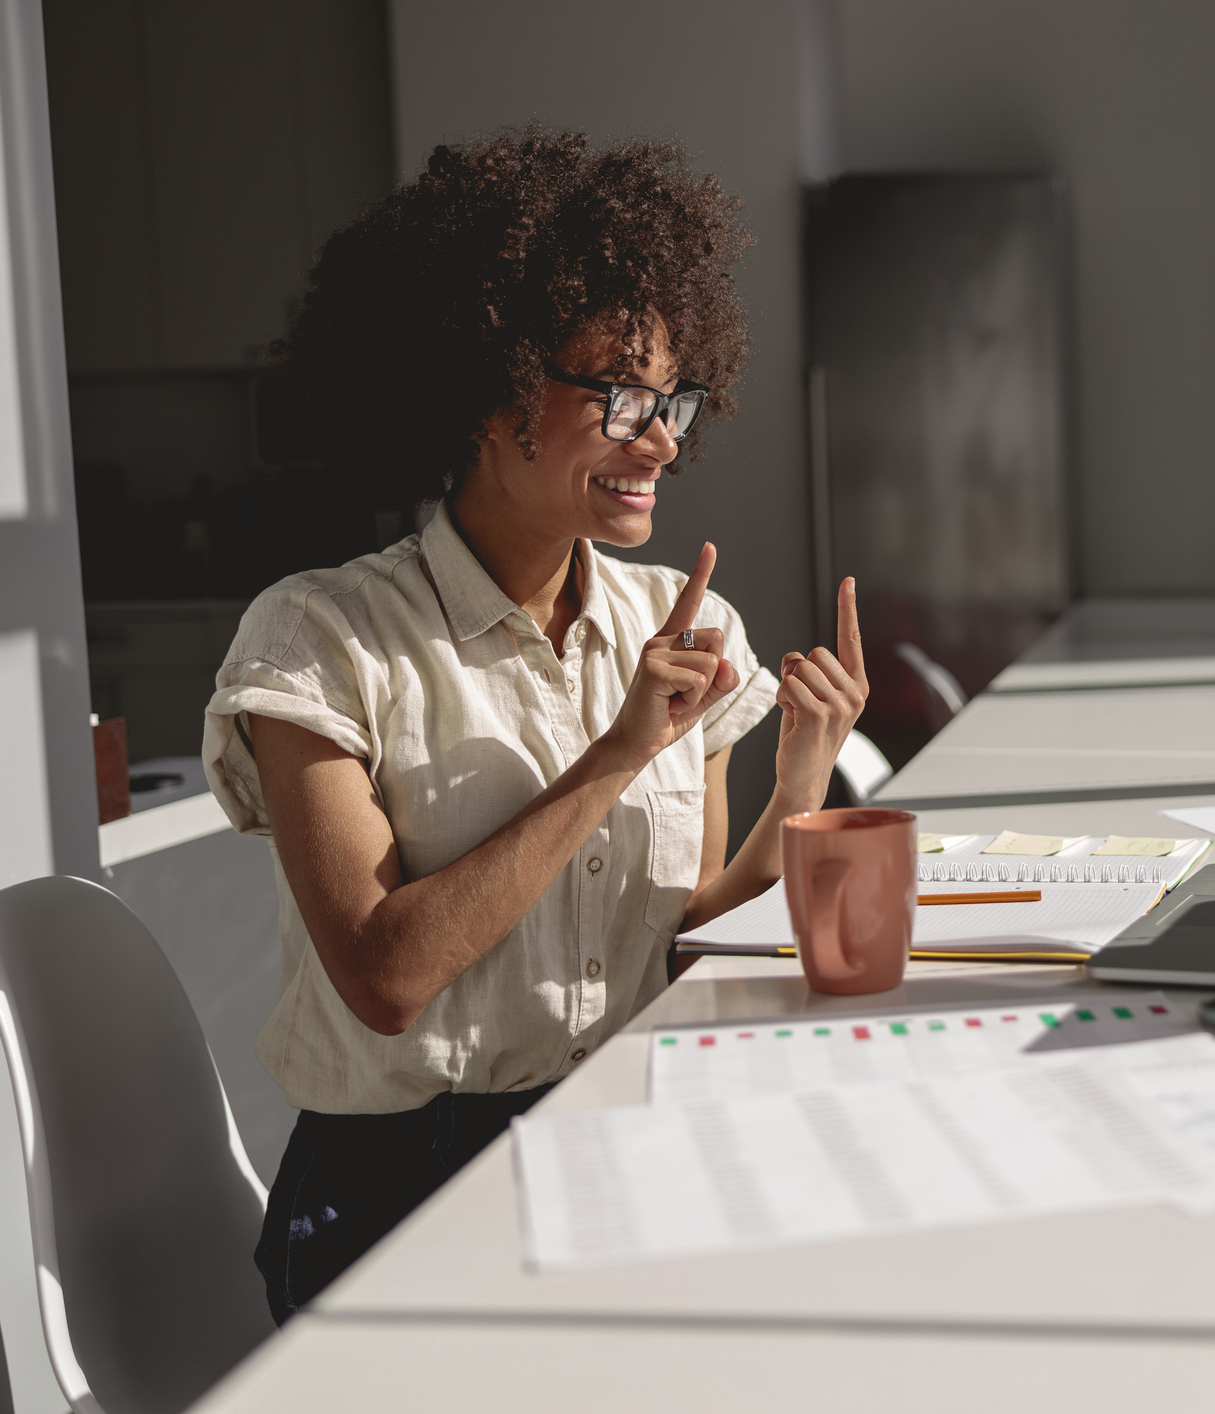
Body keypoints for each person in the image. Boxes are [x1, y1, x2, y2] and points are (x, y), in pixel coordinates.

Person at [201, 128, 867, 1324]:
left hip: (626, 1142)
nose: (661, 438)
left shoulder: (684, 620)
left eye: (671, 399)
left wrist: (799, 787)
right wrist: (616, 756)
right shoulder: (318, 639)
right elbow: (387, 976)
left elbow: (682, 934)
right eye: (618, 395)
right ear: (487, 391)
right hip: (396, 1195)